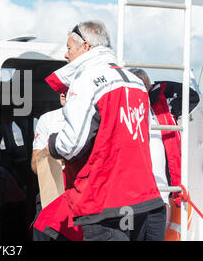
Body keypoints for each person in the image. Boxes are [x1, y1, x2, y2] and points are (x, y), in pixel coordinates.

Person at [42, 20, 164, 241]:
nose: (65, 55)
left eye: (69, 48)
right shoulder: (136, 82)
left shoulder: (87, 80)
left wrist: (52, 144)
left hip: (105, 199)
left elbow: (72, 145)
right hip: (144, 197)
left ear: (86, 47)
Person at [128, 68, 200, 240]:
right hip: (131, 197)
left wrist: (158, 87)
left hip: (160, 195)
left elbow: (192, 97)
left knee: (155, 236)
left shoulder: (161, 113)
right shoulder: (125, 113)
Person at [31, 93, 83, 241]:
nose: (62, 92)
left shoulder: (95, 117)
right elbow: (35, 165)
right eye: (60, 88)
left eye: (68, 86)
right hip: (51, 197)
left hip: (82, 199)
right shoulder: (48, 119)